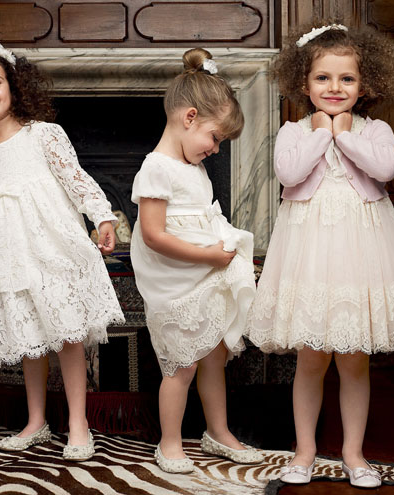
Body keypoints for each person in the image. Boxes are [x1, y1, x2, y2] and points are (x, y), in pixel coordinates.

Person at [246, 22, 394, 488]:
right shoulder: (293, 131)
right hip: (309, 257)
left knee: (354, 358)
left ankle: (353, 453)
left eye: (347, 78)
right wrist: (320, 134)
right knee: (311, 359)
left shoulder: (376, 130)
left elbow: (386, 168)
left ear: (365, 84)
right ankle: (304, 451)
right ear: (303, 83)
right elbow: (289, 174)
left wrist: (346, 136)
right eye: (323, 78)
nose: (335, 88)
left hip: (362, 257)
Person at [0, 43, 125, 461]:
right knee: (29, 337)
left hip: (52, 245)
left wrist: (102, 216)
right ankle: (36, 421)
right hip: (9, 253)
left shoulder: (43, 133)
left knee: (67, 333)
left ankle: (78, 423)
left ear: (14, 86)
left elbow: (76, 179)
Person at [129, 48, 264, 474]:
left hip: (205, 275)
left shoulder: (194, 167)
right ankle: (169, 443)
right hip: (177, 280)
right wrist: (209, 254)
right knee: (181, 364)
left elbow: (202, 219)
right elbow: (153, 235)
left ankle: (217, 431)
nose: (216, 150)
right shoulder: (156, 168)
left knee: (213, 355)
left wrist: (222, 250)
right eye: (215, 138)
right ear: (190, 118)